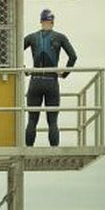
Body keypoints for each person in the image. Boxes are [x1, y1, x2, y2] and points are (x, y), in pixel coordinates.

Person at [23, 8, 77, 147]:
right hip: (51, 81)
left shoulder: (32, 37)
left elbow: (14, 50)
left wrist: (24, 69)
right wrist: (64, 74)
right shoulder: (60, 37)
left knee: (32, 120)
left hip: (35, 81)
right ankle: (54, 150)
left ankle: (28, 149)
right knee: (52, 121)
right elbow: (73, 57)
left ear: (41, 21)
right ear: (52, 22)